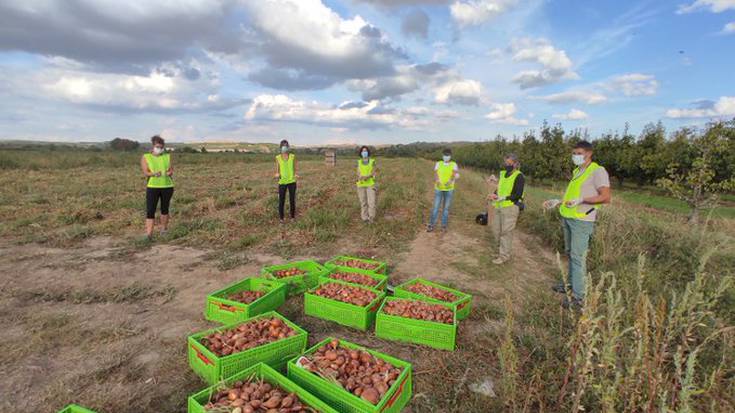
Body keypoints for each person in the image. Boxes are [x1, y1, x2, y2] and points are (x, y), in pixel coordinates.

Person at [543, 140, 612, 308]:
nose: (575, 156)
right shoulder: (577, 170)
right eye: (574, 153)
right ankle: (570, 284)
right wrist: (559, 202)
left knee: (578, 257)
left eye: (579, 153)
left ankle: (579, 297)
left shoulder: (597, 171)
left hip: (582, 221)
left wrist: (582, 200)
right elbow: (574, 196)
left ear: (589, 154)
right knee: (570, 253)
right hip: (568, 217)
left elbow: (605, 197)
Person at [488, 153, 525, 265]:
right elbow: (499, 189)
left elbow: (517, 194)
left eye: (509, 163)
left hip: (510, 207)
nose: (507, 165)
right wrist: (494, 195)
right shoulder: (503, 174)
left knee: (506, 233)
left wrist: (503, 197)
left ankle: (504, 256)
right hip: (499, 205)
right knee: (496, 230)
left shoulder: (519, 176)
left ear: (515, 164)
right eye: (506, 162)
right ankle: (500, 252)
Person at [140, 135, 174, 239]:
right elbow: (146, 172)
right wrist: (154, 174)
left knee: (165, 209)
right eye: (157, 147)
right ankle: (149, 234)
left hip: (167, 186)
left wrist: (169, 173)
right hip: (153, 186)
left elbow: (171, 170)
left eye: (161, 147)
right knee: (150, 210)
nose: (159, 149)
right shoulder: (146, 157)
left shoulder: (167, 156)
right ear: (153, 146)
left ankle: (164, 230)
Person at [428, 148, 459, 232]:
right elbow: (435, 173)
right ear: (442, 156)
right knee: (436, 207)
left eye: (448, 155)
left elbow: (454, 173)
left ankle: (443, 226)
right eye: (445, 155)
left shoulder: (454, 164)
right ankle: (431, 225)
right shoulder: (438, 163)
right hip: (439, 189)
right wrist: (437, 180)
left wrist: (451, 180)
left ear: (450, 156)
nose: (446, 157)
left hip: (449, 190)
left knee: (446, 209)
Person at [274, 139, 297, 223]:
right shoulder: (278, 158)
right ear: (280, 147)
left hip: (292, 182)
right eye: (283, 146)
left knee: (292, 200)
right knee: (281, 200)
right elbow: (277, 170)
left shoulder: (292, 156)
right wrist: (277, 175)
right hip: (282, 182)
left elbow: (294, 169)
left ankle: (292, 217)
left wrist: (295, 174)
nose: (285, 147)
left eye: (286, 146)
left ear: (288, 147)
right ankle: (281, 218)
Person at [356, 145, 378, 223]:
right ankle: (364, 218)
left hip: (370, 184)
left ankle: (371, 218)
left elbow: (374, 171)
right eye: (363, 151)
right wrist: (360, 176)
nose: (364, 152)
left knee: (371, 202)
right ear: (361, 153)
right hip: (361, 184)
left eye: (365, 151)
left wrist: (367, 176)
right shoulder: (359, 162)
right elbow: (358, 172)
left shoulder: (372, 161)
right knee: (363, 202)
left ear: (368, 152)